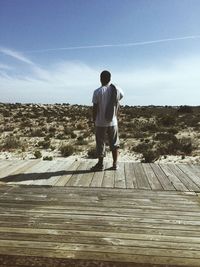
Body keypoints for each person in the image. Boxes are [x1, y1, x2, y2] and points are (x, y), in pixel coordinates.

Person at [91, 70, 124, 171]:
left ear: (100, 79)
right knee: (114, 143)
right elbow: (121, 96)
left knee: (100, 143)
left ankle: (100, 165)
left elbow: (95, 108)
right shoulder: (116, 90)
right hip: (112, 121)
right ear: (110, 79)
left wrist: (94, 119)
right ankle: (115, 164)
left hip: (100, 122)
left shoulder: (97, 92)